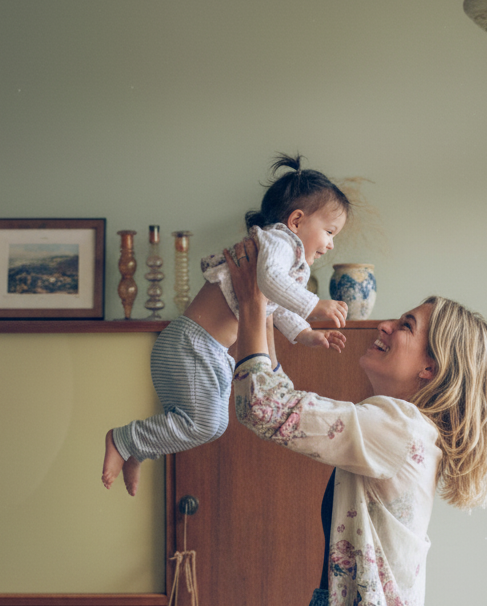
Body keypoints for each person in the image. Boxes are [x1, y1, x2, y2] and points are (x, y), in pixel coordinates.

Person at [180, 235, 487, 606]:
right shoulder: (406, 432)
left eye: (406, 325)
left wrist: (254, 302)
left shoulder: (396, 426)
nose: (385, 325)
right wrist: (266, 311)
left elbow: (266, 407)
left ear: (431, 366)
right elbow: (284, 400)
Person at [102, 154, 351, 495]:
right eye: (329, 231)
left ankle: (138, 449)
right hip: (192, 345)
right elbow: (271, 280)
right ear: (296, 221)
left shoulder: (283, 258)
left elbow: (273, 304)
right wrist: (316, 304)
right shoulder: (278, 243)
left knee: (212, 426)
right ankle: (123, 439)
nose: (331, 243)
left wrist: (305, 334)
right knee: (204, 423)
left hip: (210, 352)